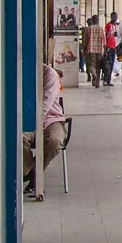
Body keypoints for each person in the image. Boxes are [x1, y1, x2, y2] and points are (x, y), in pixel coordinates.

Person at [24, 63, 68, 199]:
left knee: (54, 141)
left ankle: (34, 173)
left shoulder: (49, 74)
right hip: (25, 122)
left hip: (51, 120)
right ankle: (27, 172)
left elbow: (45, 105)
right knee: (19, 139)